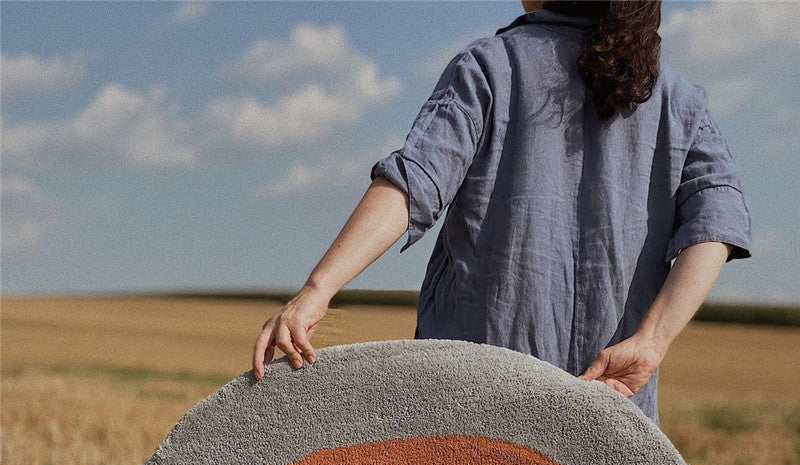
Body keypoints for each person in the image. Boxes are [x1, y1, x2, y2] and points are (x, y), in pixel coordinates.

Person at [252, 0, 751, 427]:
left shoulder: (491, 67)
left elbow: (415, 182)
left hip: (477, 407)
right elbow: (716, 224)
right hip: (614, 416)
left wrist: (318, 289)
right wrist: (650, 342)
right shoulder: (679, 101)